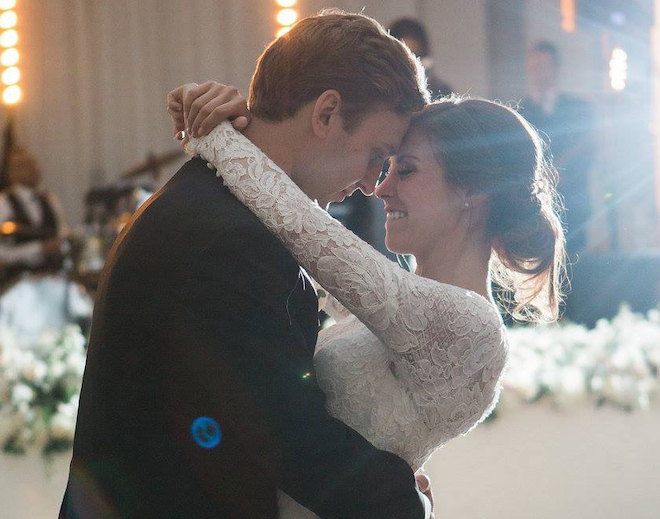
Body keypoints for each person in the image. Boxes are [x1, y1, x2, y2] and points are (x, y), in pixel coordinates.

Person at [60, 11, 434, 519]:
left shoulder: (219, 195)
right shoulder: (234, 240)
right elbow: (285, 434)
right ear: (325, 114)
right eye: (377, 153)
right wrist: (406, 503)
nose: (373, 183)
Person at [168, 78, 566, 518]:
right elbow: (300, 232)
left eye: (407, 170)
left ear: (472, 191)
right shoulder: (392, 303)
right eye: (387, 165)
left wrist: (216, 131)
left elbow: (302, 225)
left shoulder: (471, 324)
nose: (381, 188)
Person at [520, 40, 595, 257]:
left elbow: (588, 151)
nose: (539, 73)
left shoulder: (578, 109)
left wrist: (563, 174)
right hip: (533, 210)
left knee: (575, 269)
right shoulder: (520, 111)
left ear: (555, 69)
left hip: (572, 204)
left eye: (544, 66)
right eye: (534, 67)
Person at [0, 146, 66, 284]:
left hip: (52, 278)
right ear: (11, 173)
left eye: (34, 163)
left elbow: (62, 233)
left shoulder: (49, 198)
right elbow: (2, 253)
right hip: (17, 282)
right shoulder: (4, 203)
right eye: (23, 166)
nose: (32, 169)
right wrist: (38, 249)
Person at [389, 17, 452, 99]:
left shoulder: (440, 91)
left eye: (416, 57)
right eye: (404, 59)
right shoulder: (382, 94)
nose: (410, 67)